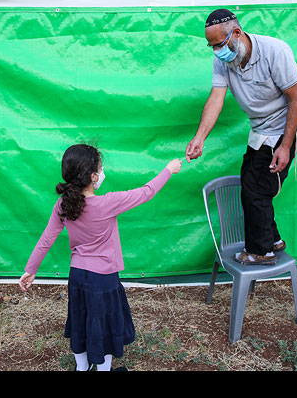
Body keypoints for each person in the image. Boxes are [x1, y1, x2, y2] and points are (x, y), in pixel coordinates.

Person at [19, 143, 182, 371]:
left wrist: (31, 269)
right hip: (103, 279)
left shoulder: (63, 204)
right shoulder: (108, 203)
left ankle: (82, 368)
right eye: (101, 168)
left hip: (77, 276)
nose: (103, 171)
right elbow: (147, 192)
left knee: (81, 322)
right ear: (94, 176)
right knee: (104, 328)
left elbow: (47, 237)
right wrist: (168, 170)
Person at [186, 9, 297, 266]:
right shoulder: (222, 61)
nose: (216, 51)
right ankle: (272, 239)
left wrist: (286, 146)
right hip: (260, 129)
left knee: (257, 190)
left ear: (237, 33)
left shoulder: (275, 51)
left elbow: (296, 99)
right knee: (250, 180)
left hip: (286, 126)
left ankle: (261, 251)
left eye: (219, 44)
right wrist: (200, 137)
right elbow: (216, 98)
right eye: (211, 46)